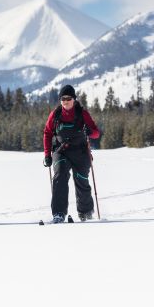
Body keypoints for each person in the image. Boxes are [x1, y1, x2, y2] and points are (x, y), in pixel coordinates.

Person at [43, 84, 100, 223]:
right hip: (61, 151)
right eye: (63, 98)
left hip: (80, 151)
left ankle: (85, 213)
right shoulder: (55, 115)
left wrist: (90, 132)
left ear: (74, 99)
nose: (66, 101)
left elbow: (96, 133)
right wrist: (47, 155)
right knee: (60, 175)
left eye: (68, 98)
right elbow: (47, 133)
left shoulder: (82, 113)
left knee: (81, 179)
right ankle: (58, 213)